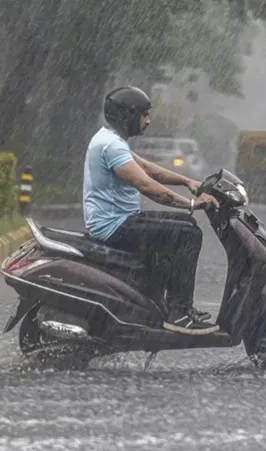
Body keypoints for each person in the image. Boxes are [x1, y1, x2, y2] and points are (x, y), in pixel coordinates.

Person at [83, 85, 220, 335]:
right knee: (188, 235)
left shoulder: (111, 140)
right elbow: (147, 185)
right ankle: (178, 312)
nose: (148, 121)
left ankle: (167, 303)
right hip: (114, 227)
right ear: (127, 116)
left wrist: (189, 182)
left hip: (121, 221)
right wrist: (190, 204)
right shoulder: (111, 146)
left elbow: (149, 169)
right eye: (143, 115)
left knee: (186, 225)